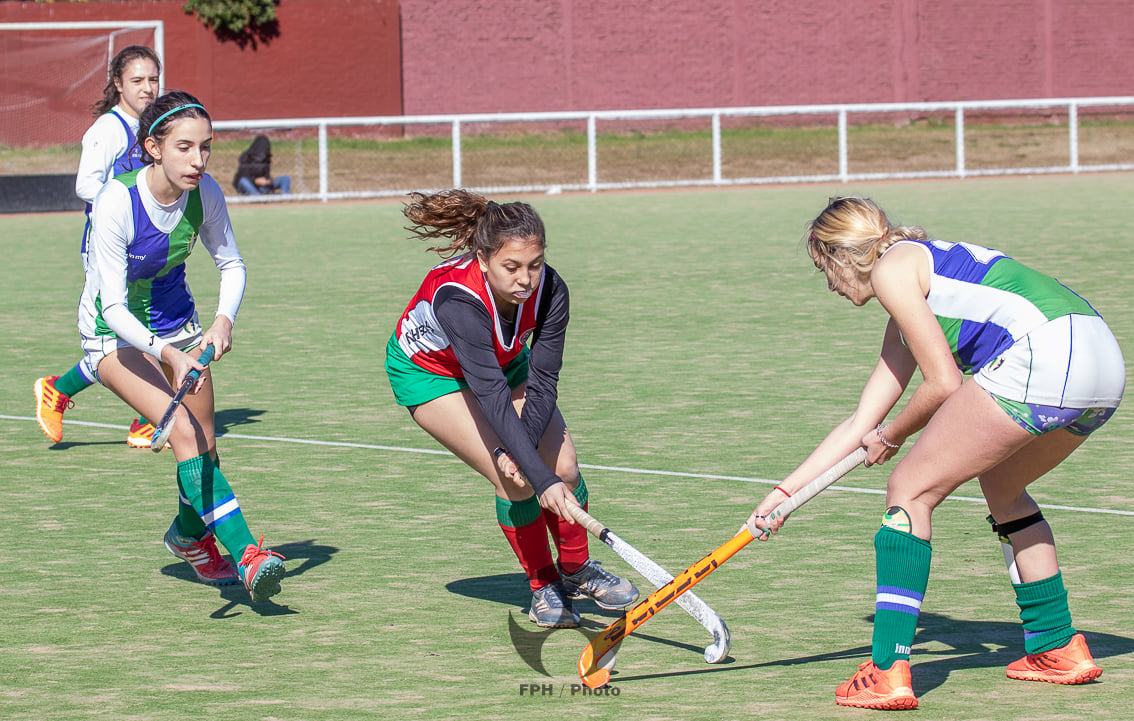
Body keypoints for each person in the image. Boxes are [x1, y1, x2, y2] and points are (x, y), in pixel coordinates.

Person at [746, 196, 1124, 710]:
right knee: (1004, 486)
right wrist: (783, 495)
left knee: (909, 490)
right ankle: (1057, 647)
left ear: (840, 255)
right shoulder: (916, 275)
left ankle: (887, 667)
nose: (830, 285)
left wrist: (894, 436)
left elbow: (942, 383)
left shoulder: (891, 270)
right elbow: (862, 423)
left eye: (824, 269)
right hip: (1100, 359)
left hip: (1044, 354)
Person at [384, 189, 640, 627]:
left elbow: (543, 382)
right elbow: (492, 398)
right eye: (512, 267)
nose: (526, 279)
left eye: (535, 265)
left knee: (564, 465)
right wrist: (524, 465)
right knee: (514, 479)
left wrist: (542, 466)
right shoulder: (458, 301)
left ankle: (576, 569)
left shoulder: (551, 290)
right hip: (430, 373)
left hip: (501, 364)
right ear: (483, 260)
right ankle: (543, 583)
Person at [78, 89, 287, 601]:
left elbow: (231, 263)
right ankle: (246, 553)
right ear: (154, 147)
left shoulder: (205, 193)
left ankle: (188, 537)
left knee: (205, 450)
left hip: (181, 326)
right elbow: (112, 308)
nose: (198, 160)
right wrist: (168, 355)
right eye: (185, 148)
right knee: (187, 438)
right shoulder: (115, 202)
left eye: (206, 148)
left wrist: (222, 321)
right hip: (113, 334)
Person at [35, 45, 166, 448]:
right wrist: (127, 200)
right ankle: (61, 390)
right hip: (108, 247)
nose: (147, 88)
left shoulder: (153, 124)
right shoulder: (108, 130)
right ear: (118, 84)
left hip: (144, 245)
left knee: (147, 326)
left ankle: (146, 412)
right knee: (113, 336)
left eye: (153, 80)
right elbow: (85, 185)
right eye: (137, 80)